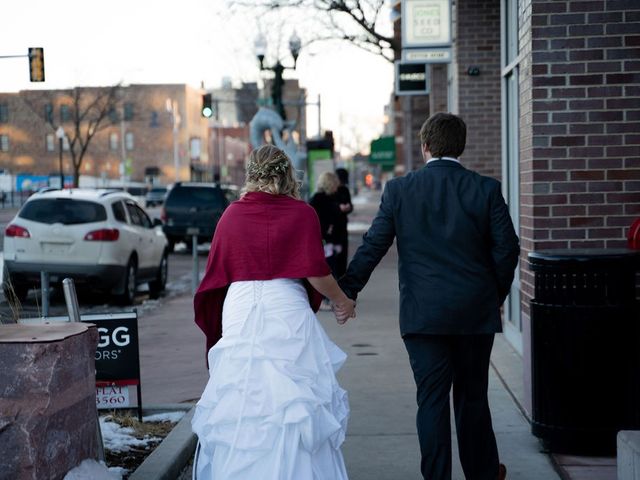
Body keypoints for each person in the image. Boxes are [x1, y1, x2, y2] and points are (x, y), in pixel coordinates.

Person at [339, 113, 519, 480]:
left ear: (424, 147)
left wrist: (347, 291)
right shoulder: (485, 189)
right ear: (461, 147)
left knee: (432, 401)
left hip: (424, 317)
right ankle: (483, 474)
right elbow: (508, 249)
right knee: (472, 398)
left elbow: (374, 244)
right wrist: (492, 294)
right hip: (473, 315)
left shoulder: (400, 191)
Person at [192, 144, 356, 480]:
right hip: (287, 307)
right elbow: (316, 271)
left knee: (244, 398)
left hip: (239, 309)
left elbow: (214, 279)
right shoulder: (302, 213)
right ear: (286, 175)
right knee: (293, 399)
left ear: (251, 175)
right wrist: (342, 300)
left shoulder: (231, 216)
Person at [309, 171, 343, 275]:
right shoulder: (324, 199)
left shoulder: (317, 198)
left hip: (325, 241)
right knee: (330, 272)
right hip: (326, 242)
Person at [332, 168, 353, 278]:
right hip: (333, 228)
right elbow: (327, 207)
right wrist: (338, 207)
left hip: (343, 226)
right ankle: (335, 276)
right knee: (333, 254)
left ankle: (342, 276)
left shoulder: (345, 190)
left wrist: (348, 207)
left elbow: (351, 205)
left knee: (343, 253)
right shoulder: (331, 190)